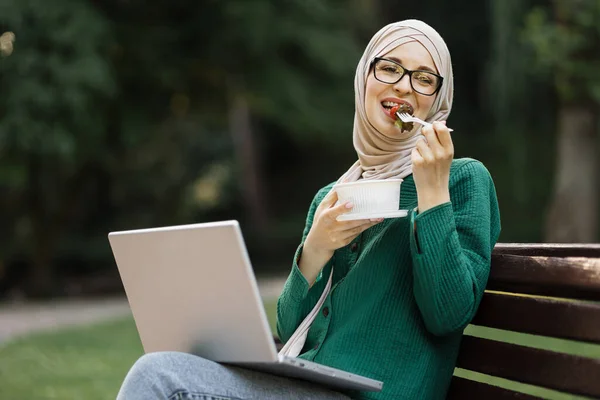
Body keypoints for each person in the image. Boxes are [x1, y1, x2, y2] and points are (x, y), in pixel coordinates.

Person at [116, 19, 501, 400]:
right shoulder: (332, 197)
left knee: (159, 377)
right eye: (389, 68)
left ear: (439, 99)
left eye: (424, 78)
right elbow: (289, 329)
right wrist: (315, 250)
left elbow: (448, 314)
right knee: (166, 363)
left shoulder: (462, 180)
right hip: (304, 385)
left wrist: (432, 192)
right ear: (363, 78)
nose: (403, 85)